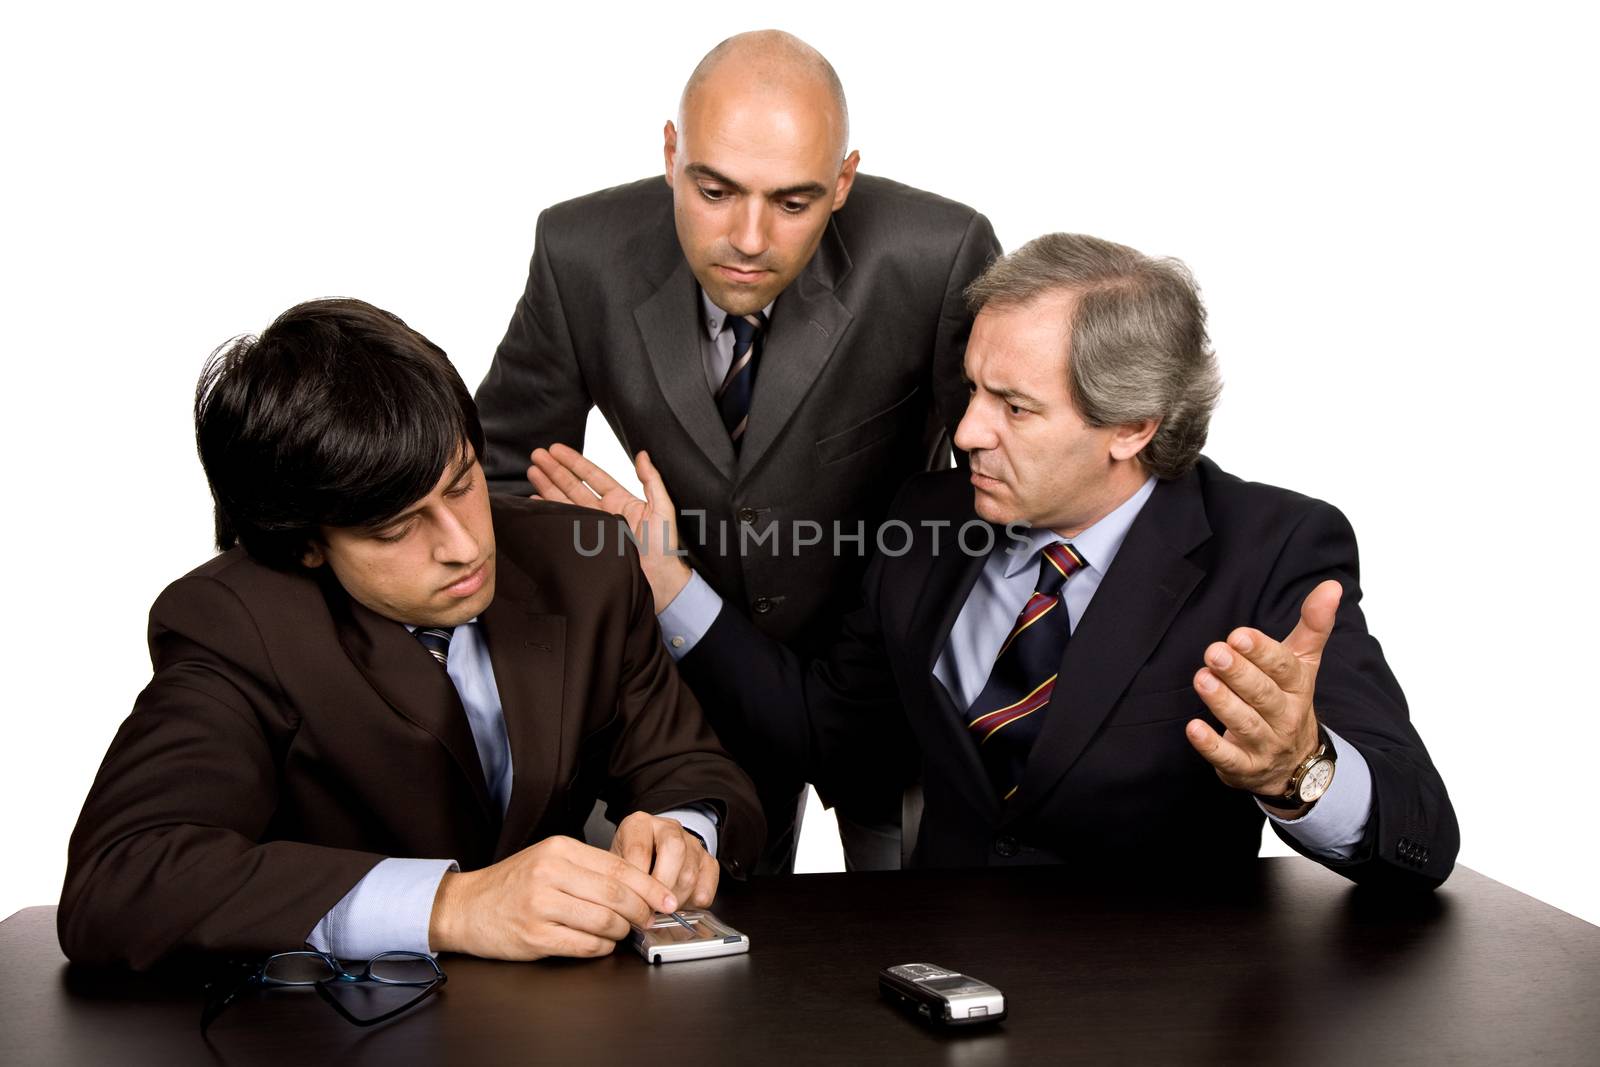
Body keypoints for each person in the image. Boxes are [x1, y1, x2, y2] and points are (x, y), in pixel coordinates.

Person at [530, 234, 1459, 886]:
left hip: (1161, 1012)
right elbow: (822, 734)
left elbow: (1422, 832)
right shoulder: (930, 521)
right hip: (942, 986)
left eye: (1014, 407)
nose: (967, 430)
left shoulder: (1274, 550)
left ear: (1132, 426)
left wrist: (1300, 770)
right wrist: (667, 584)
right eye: (972, 388)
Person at [58, 299, 763, 972]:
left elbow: (694, 768)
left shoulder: (586, 561)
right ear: (306, 543)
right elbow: (120, 879)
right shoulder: (234, 622)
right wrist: (453, 906)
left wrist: (681, 833)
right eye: (397, 528)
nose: (463, 546)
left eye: (461, 484)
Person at [475, 30, 1000, 874]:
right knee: (682, 965)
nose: (749, 238)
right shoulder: (581, 255)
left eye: (793, 203)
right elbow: (495, 477)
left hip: (884, 684)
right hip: (684, 683)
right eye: (714, 190)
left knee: (923, 943)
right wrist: (609, 572)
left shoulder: (936, 256)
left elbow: (999, 482)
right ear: (671, 153)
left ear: (844, 182)